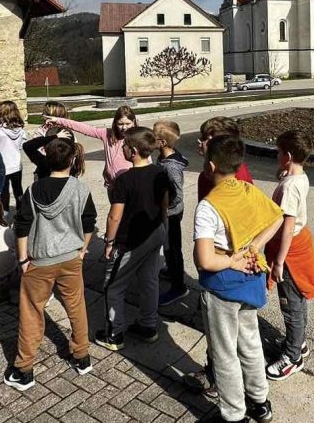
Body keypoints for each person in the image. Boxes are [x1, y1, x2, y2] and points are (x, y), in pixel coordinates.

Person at [194, 135, 282, 423]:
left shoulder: (209, 206)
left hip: (222, 287)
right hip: (251, 282)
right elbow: (277, 217)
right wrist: (255, 246)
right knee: (250, 342)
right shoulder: (247, 189)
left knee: (224, 353)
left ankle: (234, 414)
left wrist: (231, 259)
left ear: (210, 165)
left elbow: (205, 260)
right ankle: (260, 402)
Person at [4, 137, 97, 392]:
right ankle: (82, 357)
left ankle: (24, 369)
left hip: (39, 260)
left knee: (32, 312)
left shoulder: (34, 190)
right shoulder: (81, 189)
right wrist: (83, 249)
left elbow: (21, 226)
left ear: (46, 160)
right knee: (76, 307)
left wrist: (22, 259)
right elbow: (89, 222)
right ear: (73, 161)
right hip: (70, 257)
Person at [186, 116, 254, 397]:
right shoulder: (210, 174)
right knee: (229, 333)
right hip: (220, 263)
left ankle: (220, 384)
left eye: (204, 139)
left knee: (224, 334)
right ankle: (245, 389)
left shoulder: (235, 179)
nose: (199, 143)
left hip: (224, 267)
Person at [94, 127, 168, 351]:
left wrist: (109, 242)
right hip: (155, 233)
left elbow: (115, 216)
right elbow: (164, 204)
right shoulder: (160, 172)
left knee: (113, 285)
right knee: (149, 280)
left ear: (133, 151)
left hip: (130, 240)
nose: (122, 148)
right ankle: (148, 325)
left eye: (124, 146)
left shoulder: (124, 180)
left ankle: (114, 334)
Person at [264, 130, 314, 381]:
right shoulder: (299, 177)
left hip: (290, 254)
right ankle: (297, 342)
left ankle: (292, 356)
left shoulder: (289, 186)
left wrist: (278, 261)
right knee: (297, 301)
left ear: (286, 156)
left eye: (278, 152)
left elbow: (287, 225)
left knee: (291, 304)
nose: (277, 156)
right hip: (299, 244)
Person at [44, 106, 136, 198]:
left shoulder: (138, 138)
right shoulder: (107, 134)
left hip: (129, 185)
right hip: (112, 186)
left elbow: (145, 161)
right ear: (115, 122)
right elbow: (85, 128)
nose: (124, 127)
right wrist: (58, 120)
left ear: (134, 122)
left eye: (128, 123)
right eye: (120, 124)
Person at [154, 120, 190, 305]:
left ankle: (179, 286)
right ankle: (170, 269)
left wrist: (166, 208)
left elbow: (177, 192)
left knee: (172, 248)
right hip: (170, 211)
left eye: (154, 137)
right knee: (169, 246)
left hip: (171, 214)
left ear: (161, 142)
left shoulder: (170, 166)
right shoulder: (167, 157)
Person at [0, 101, 26, 212]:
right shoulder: (20, 129)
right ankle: (21, 210)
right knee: (18, 189)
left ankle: (5, 213)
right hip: (16, 163)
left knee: (4, 191)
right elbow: (21, 146)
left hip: (1, 165)